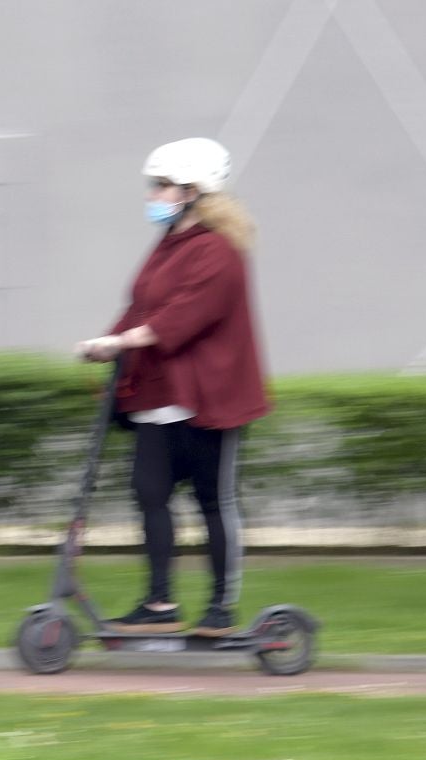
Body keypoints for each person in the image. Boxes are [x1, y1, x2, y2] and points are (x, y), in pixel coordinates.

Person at [76, 138, 270, 636]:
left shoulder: (219, 251)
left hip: (206, 397)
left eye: (162, 185)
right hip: (157, 396)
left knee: (212, 499)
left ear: (192, 191)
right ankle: (160, 604)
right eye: (155, 185)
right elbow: (141, 306)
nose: (154, 194)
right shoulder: (167, 247)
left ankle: (221, 609)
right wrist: (110, 341)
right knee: (149, 492)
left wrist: (122, 341)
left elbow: (181, 318)